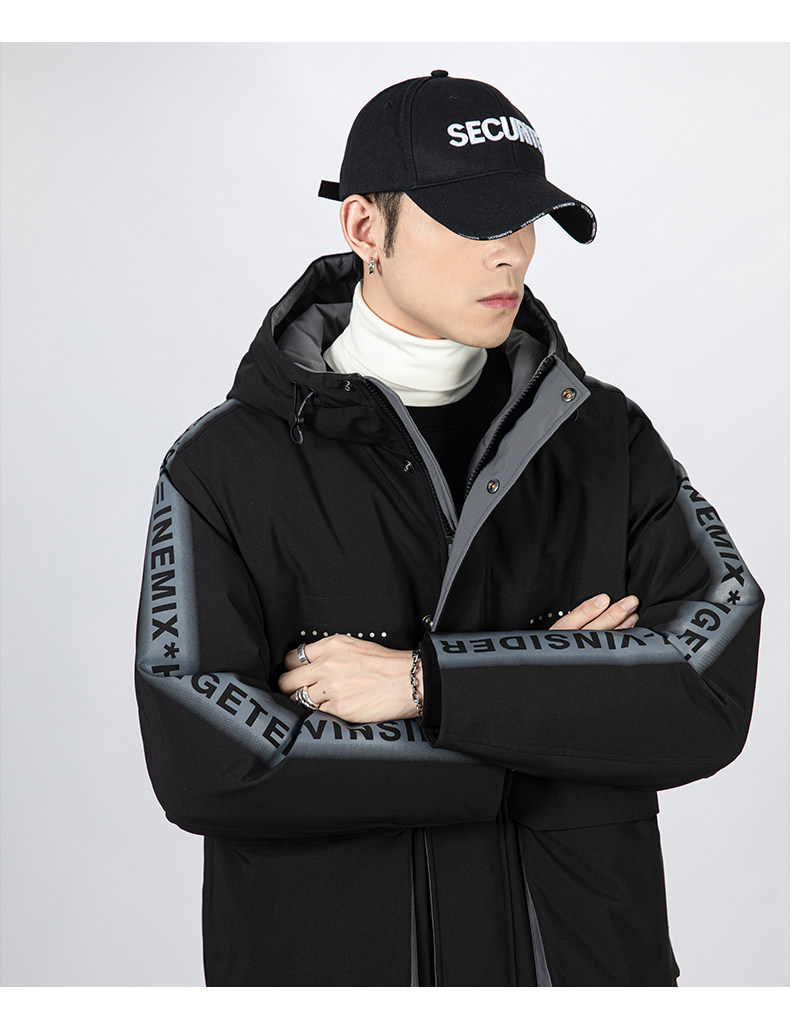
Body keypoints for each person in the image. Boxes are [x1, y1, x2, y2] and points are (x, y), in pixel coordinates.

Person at [134, 70, 763, 987]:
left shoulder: (606, 438)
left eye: (526, 220)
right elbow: (209, 762)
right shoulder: (223, 466)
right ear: (365, 228)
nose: (512, 254)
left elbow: (707, 696)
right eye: (473, 223)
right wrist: (551, 712)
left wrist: (426, 685)